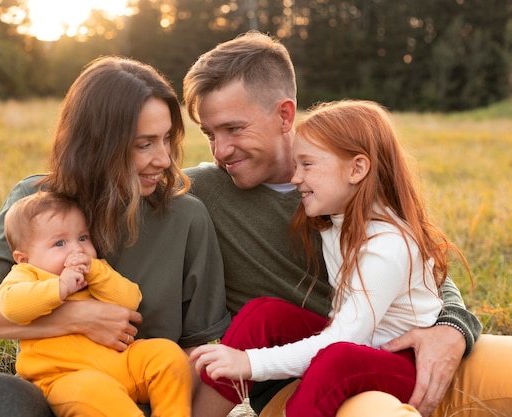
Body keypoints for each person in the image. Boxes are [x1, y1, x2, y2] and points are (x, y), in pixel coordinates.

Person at [182, 31, 511, 417]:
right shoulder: (202, 190)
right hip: (308, 375)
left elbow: (425, 270)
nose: (220, 151)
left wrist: (451, 329)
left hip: (394, 349)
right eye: (209, 133)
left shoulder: (347, 194)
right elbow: (115, 187)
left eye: (234, 129)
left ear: (285, 115)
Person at [0, 56, 231, 417]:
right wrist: (79, 317)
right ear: (98, 145)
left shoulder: (187, 218)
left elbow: (195, 351)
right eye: (144, 144)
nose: (163, 159)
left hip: (146, 398)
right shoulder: (39, 203)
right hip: (62, 394)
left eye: (166, 140)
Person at [0, 191, 191, 416]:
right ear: (24, 258)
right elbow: (10, 306)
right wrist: (59, 288)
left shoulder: (95, 271)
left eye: (83, 238)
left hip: (123, 363)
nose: (77, 249)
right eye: (59, 243)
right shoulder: (27, 273)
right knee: (95, 392)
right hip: (67, 377)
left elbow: (131, 300)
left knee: (167, 354)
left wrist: (97, 273)